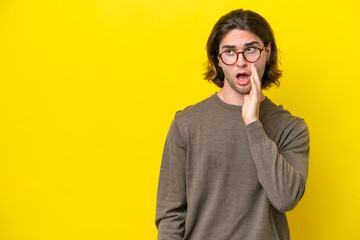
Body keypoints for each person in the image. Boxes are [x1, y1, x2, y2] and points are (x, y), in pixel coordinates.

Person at [155, 9, 309, 240]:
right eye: (229, 52)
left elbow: (286, 198)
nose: (241, 62)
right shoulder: (186, 124)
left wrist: (253, 124)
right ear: (218, 59)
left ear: (267, 52)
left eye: (250, 50)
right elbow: (170, 215)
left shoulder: (291, 128)